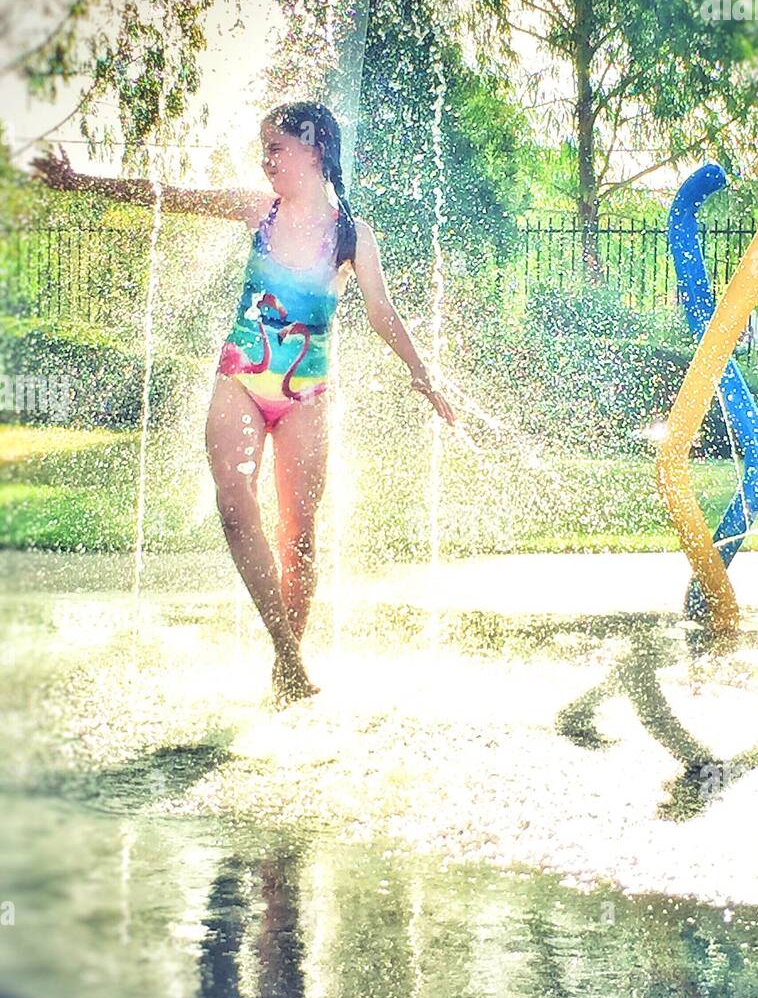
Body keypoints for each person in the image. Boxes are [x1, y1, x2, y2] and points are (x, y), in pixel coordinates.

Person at [31, 101, 455, 703]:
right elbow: (169, 194)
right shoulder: (260, 210)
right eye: (264, 148)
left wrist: (423, 373)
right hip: (240, 382)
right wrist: (82, 182)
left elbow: (382, 312)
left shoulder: (351, 236)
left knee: (300, 536)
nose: (266, 160)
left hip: (306, 394)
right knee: (235, 507)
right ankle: (288, 656)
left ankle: (287, 667)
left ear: (314, 150)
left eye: (277, 148)